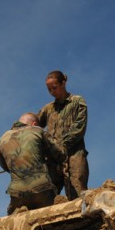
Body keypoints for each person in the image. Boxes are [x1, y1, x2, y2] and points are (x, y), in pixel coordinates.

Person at [0, 112, 66, 215]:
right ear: (33, 124)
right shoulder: (38, 130)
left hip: (17, 194)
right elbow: (60, 153)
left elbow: (4, 166)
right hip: (41, 189)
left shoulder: (3, 138)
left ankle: (19, 210)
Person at [37, 70, 88, 200]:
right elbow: (34, 124)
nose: (52, 92)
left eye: (54, 88)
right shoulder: (48, 109)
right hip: (53, 160)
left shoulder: (77, 102)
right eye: (49, 89)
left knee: (77, 194)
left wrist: (61, 146)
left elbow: (79, 128)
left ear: (63, 83)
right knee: (46, 195)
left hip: (73, 156)